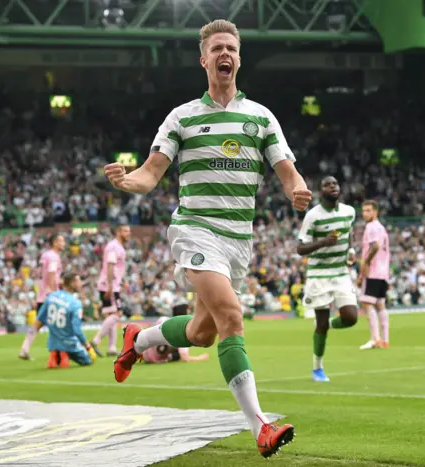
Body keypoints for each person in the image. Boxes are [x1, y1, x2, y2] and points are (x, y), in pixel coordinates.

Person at [104, 19, 311, 458]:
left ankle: (138, 338)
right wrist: (127, 183)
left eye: (231, 48)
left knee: (201, 333)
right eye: (217, 48)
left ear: (238, 58)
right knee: (232, 319)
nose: (225, 55)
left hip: (238, 242)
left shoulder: (260, 117)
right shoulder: (182, 117)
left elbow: (287, 170)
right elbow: (151, 172)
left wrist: (296, 189)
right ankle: (261, 427)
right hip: (196, 229)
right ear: (204, 59)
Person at [296, 176, 358, 383]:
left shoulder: (349, 211)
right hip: (318, 275)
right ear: (320, 190)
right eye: (327, 185)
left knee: (350, 318)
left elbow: (348, 233)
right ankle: (317, 368)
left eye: (335, 184)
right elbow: (300, 248)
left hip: (340, 273)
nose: (332, 186)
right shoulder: (313, 216)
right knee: (320, 325)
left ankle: (326, 325)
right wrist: (323, 242)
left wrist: (350, 250)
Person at [35, 273, 97, 368]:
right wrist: (88, 346)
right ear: (72, 283)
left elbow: (39, 319)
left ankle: (55, 354)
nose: (81, 283)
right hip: (69, 342)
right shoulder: (75, 303)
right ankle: (64, 353)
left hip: (52, 342)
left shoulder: (51, 296)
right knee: (88, 360)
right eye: (79, 281)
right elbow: (77, 330)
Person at [19, 234, 65, 360]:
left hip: (42, 295)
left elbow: (44, 274)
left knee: (38, 324)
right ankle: (58, 354)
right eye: (61, 241)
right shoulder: (54, 257)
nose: (63, 243)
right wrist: (54, 292)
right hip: (50, 296)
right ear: (54, 242)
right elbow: (51, 274)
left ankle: (25, 348)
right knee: (57, 325)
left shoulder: (46, 255)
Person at [91, 225, 130, 357]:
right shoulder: (114, 247)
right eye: (125, 231)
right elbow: (110, 265)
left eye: (129, 231)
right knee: (118, 314)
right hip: (110, 285)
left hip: (112, 284)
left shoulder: (118, 246)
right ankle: (96, 340)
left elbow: (118, 267)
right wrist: (110, 286)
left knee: (111, 316)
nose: (128, 233)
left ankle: (112, 347)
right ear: (118, 232)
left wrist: (123, 280)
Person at [357, 200, 391, 350]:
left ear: (375, 212)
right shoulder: (381, 228)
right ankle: (385, 340)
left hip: (373, 270)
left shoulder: (371, 227)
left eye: (368, 210)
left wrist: (365, 264)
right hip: (383, 272)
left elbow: (375, 246)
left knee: (367, 304)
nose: (365, 213)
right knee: (380, 305)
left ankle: (375, 339)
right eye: (364, 211)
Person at [142, 317, 210, 364]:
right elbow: (185, 358)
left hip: (145, 356)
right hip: (156, 360)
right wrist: (200, 358)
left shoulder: (161, 323)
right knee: (176, 353)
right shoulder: (182, 337)